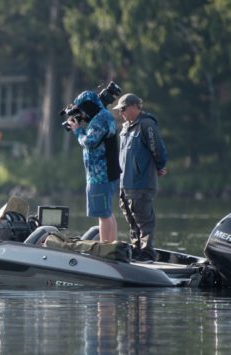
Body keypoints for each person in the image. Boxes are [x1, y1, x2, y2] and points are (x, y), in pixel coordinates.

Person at [113, 93, 168, 261]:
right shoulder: (125, 127)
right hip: (125, 183)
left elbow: (157, 149)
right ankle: (137, 251)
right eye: (120, 110)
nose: (121, 112)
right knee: (132, 221)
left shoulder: (147, 125)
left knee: (144, 221)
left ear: (135, 107)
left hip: (141, 183)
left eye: (123, 109)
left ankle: (147, 253)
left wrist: (159, 166)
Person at [65, 90, 120, 242]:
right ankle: (111, 247)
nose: (82, 114)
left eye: (82, 109)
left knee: (103, 215)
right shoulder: (102, 116)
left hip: (101, 175)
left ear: (88, 106)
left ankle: (105, 248)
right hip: (104, 174)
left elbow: (89, 142)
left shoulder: (101, 119)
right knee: (107, 213)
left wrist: (77, 131)